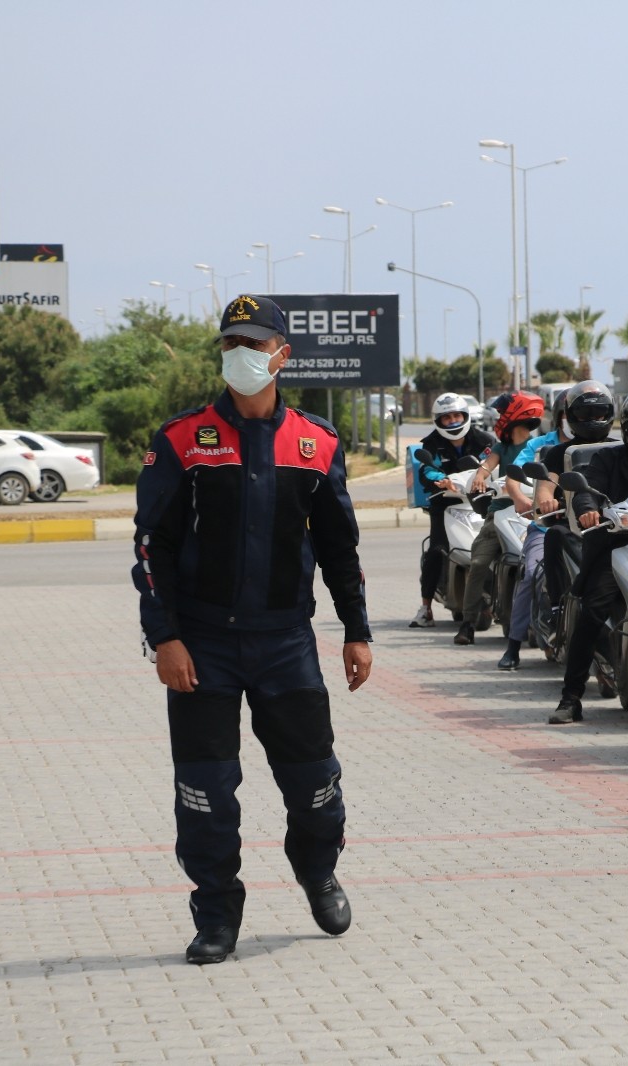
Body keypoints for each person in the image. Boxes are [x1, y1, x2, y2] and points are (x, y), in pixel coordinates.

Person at [132, 294, 374, 965]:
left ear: (281, 355)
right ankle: (216, 913)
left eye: (256, 343)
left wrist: (357, 630)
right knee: (205, 795)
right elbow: (153, 545)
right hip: (202, 646)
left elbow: (339, 548)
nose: (242, 355)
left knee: (316, 783)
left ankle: (317, 871)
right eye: (232, 344)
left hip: (286, 644)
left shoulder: (317, 442)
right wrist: (166, 638)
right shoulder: (183, 440)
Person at [549, 388, 628, 724]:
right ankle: (571, 697)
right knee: (594, 609)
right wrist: (588, 510)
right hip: (615, 546)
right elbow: (585, 491)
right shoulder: (608, 458)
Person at [500, 381, 615, 671]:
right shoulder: (551, 450)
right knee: (531, 571)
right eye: (585, 413)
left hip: (614, 530)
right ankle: (519, 641)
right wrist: (545, 501)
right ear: (567, 415)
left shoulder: (619, 449)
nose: (593, 420)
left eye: (600, 413)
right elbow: (543, 489)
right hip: (563, 526)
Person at [455, 391, 543, 646]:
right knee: (479, 561)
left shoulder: (540, 446)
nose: (499, 418)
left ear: (515, 415)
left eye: (502, 413)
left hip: (532, 515)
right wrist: (481, 475)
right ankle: (468, 623)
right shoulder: (501, 447)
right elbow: (487, 464)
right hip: (500, 513)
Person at [411, 393, 495, 629]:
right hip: (445, 503)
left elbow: (494, 466)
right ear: (439, 421)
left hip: (479, 502)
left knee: (500, 547)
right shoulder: (431, 444)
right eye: (447, 418)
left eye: (457, 415)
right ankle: (425, 608)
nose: (453, 421)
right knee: (436, 550)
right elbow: (427, 470)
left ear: (466, 416)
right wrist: (442, 480)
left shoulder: (484, 441)